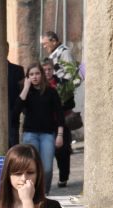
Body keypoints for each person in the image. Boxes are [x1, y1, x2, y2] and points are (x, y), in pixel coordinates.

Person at [15, 62, 64, 194]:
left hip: (48, 134)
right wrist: (26, 87)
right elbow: (16, 110)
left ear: (42, 75)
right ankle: (31, 192)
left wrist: (60, 134)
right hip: (30, 134)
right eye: (31, 74)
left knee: (47, 167)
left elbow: (59, 114)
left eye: (37, 73)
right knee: (31, 166)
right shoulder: (25, 92)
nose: (34, 77)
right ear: (27, 77)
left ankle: (44, 193)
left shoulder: (51, 92)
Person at [43, 59, 74, 188]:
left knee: (63, 152)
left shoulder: (62, 83)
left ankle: (63, 177)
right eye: (44, 70)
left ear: (53, 70)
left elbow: (71, 103)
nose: (47, 72)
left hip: (62, 122)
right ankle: (44, 182)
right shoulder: (39, 85)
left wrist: (61, 104)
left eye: (49, 69)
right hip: (46, 124)